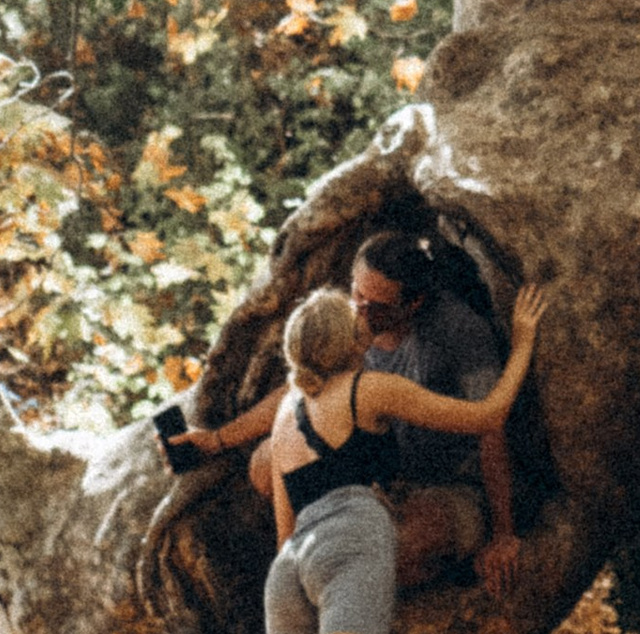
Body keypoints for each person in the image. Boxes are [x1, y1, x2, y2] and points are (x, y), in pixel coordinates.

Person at [253, 278, 546, 634]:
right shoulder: (368, 388)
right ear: (347, 341)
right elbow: (488, 415)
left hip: (287, 571)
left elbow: (285, 531)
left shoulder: (284, 414)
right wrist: (522, 341)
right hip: (352, 539)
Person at [166, 231, 524, 594]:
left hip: (446, 482)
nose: (361, 311)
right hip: (375, 476)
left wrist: (504, 534)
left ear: (414, 302)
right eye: (357, 293)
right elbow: (302, 387)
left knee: (398, 549)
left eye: (376, 306)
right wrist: (217, 440)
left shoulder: (458, 331)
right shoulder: (348, 321)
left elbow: (491, 426)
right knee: (265, 464)